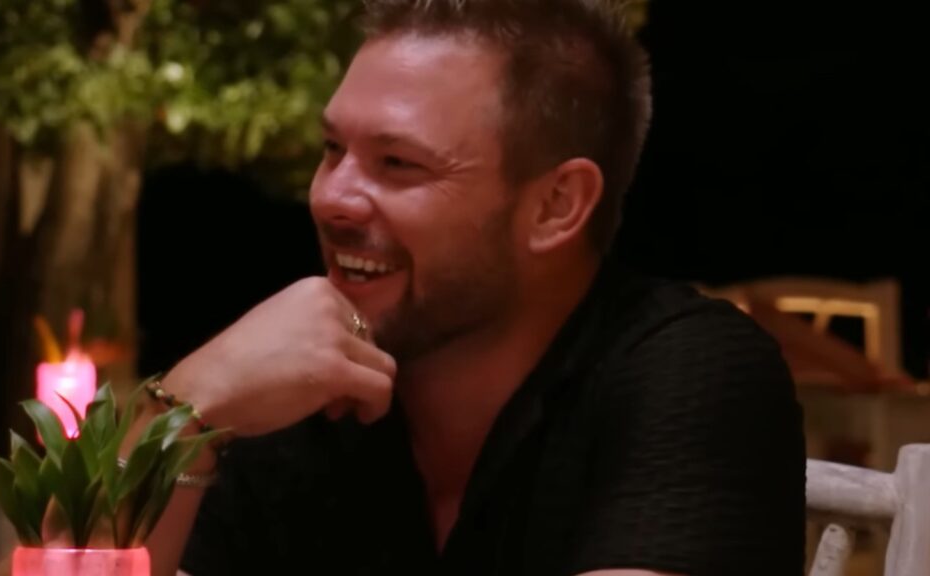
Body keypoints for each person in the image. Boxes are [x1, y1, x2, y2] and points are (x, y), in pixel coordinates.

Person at [144, 1, 806, 575]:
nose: (332, 197)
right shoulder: (298, 391)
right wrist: (183, 404)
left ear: (555, 205)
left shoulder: (690, 374)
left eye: (398, 163)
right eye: (331, 149)